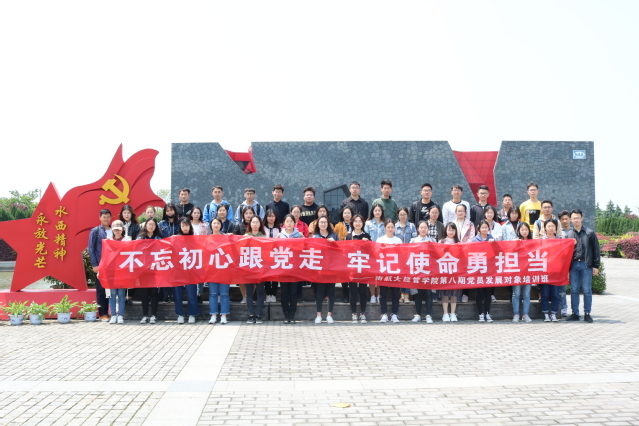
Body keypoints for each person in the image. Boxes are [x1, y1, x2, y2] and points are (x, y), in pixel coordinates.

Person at [564, 209, 601, 323]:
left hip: (586, 265)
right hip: (574, 265)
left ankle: (587, 313)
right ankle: (575, 313)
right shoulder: (569, 235)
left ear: (582, 218)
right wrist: (566, 268)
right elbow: (565, 253)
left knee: (586, 290)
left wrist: (596, 266)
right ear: (571, 220)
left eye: (578, 218)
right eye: (574, 218)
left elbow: (596, 250)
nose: (576, 220)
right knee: (574, 290)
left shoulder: (590, 233)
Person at [345, 214, 371, 323]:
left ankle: (363, 313)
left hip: (363, 267)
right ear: (352, 223)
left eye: (360, 221)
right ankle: (354, 313)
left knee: (363, 291)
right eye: (355, 221)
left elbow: (371, 251)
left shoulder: (367, 236)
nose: (358, 223)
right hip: (352, 267)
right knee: (353, 291)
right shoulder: (348, 236)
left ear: (363, 223)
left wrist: (367, 243)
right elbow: (345, 251)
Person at [312, 216, 338, 324]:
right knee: (320, 292)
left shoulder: (334, 235)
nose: (323, 224)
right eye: (321, 222)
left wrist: (334, 243)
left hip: (331, 268)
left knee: (331, 291)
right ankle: (318, 315)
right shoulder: (315, 236)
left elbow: (340, 250)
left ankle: (329, 315)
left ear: (328, 224)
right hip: (320, 268)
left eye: (325, 222)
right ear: (318, 224)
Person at [278, 214, 304, 323]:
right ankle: (285, 314)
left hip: (295, 268)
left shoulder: (299, 235)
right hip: (283, 267)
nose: (289, 223)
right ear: (284, 223)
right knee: (284, 292)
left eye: (291, 221)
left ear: (295, 223)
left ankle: (292, 314)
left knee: (293, 292)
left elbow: (304, 248)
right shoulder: (279, 235)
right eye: (287, 221)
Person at [410, 221, 437, 324]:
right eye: (421, 227)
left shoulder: (432, 240)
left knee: (429, 293)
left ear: (428, 229)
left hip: (429, 271)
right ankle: (418, 314)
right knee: (418, 293)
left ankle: (428, 315)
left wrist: (432, 246)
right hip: (417, 270)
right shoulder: (413, 240)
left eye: (425, 227)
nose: (423, 229)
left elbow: (437, 254)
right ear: (418, 229)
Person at [137, 218, 162, 324]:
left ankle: (154, 315)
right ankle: (145, 315)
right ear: (146, 225)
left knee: (154, 293)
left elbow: (162, 252)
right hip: (143, 269)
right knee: (144, 294)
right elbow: (136, 252)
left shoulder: (159, 238)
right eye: (149, 224)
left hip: (155, 269)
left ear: (156, 226)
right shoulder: (140, 238)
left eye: (153, 224)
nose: (151, 226)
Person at [88, 209, 112, 321]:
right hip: (101, 265)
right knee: (101, 289)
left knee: (112, 290)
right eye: (104, 217)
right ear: (100, 218)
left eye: (108, 217)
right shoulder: (95, 231)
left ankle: (111, 312)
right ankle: (103, 313)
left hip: (113, 265)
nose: (106, 219)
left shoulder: (114, 230)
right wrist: (94, 265)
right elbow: (91, 249)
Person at [376, 219, 402, 323]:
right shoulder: (380, 240)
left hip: (395, 270)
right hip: (383, 270)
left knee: (395, 293)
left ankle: (394, 314)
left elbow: (402, 255)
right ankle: (384, 313)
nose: (390, 229)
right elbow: (376, 254)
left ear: (395, 228)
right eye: (388, 227)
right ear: (384, 228)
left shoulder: (398, 240)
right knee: (383, 293)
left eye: (392, 227)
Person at [174, 218, 200, 324]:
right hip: (178, 270)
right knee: (177, 294)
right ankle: (180, 314)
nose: (185, 228)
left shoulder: (195, 239)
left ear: (190, 226)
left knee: (191, 294)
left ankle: (192, 314)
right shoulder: (175, 239)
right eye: (183, 225)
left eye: (187, 225)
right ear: (180, 227)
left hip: (191, 270)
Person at [105, 220, 130, 324]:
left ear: (123, 229)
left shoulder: (127, 239)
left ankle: (120, 315)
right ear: (112, 230)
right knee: (112, 294)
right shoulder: (108, 240)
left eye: (119, 229)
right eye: (115, 230)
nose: (117, 231)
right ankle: (113, 315)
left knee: (121, 294)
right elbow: (105, 256)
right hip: (111, 271)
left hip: (123, 270)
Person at [471, 220, 496, 323]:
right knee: (480, 293)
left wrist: (493, 243)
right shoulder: (474, 240)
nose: (484, 229)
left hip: (489, 270)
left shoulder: (492, 239)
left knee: (488, 294)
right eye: (483, 227)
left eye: (486, 227)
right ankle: (480, 313)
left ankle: (487, 313)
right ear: (479, 229)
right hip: (479, 270)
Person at [207, 218, 230, 324]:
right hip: (211, 270)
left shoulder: (226, 237)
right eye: (214, 223)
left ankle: (224, 315)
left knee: (224, 294)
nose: (216, 225)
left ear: (221, 225)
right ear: (211, 225)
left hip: (224, 269)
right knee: (213, 293)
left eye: (218, 223)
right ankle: (213, 315)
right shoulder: (207, 239)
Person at [244, 216, 266, 324]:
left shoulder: (264, 237)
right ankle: (251, 315)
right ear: (250, 224)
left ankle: (259, 315)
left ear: (260, 224)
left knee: (260, 292)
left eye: (257, 222)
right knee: (249, 292)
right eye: (253, 222)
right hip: (248, 268)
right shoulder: (245, 237)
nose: (255, 224)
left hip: (261, 267)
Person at [438, 223, 462, 322]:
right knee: (445, 293)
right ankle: (445, 313)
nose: (451, 232)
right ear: (445, 231)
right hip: (444, 271)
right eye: (449, 230)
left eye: (453, 230)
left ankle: (452, 313)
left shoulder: (459, 242)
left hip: (455, 271)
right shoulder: (441, 241)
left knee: (454, 294)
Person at [540, 219, 562, 322]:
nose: (551, 228)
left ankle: (554, 313)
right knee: (544, 293)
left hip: (556, 271)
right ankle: (545, 314)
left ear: (556, 227)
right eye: (548, 226)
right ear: (545, 228)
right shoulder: (541, 240)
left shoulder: (560, 240)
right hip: (544, 270)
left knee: (555, 294)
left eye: (553, 226)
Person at [158, 203, 180, 303]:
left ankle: (175, 296)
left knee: (176, 274)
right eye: (167, 211)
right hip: (165, 253)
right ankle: (166, 296)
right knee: (165, 274)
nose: (169, 212)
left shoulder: (179, 223)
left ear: (175, 211)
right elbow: (158, 237)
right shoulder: (161, 224)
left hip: (177, 253)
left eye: (171, 210)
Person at [512, 222, 533, 323]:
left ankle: (525, 314)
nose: (524, 232)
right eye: (522, 230)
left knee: (527, 294)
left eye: (526, 229)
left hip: (529, 272)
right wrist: (514, 244)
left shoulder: (533, 242)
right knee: (516, 294)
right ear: (519, 231)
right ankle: (516, 314)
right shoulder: (515, 241)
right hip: (517, 271)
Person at [233, 206, 256, 303]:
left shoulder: (256, 224)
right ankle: (244, 297)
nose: (248, 215)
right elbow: (234, 239)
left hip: (254, 255)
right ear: (243, 215)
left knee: (253, 278)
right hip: (242, 255)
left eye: (250, 213)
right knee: (242, 277)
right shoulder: (239, 225)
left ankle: (251, 297)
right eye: (246, 213)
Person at [364, 204, 386, 303]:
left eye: (379, 210)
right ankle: (373, 295)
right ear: (372, 212)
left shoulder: (385, 223)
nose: (377, 212)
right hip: (371, 253)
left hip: (382, 253)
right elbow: (366, 237)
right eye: (375, 210)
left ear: (382, 212)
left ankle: (379, 295)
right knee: (372, 275)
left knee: (380, 275)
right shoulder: (368, 223)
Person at [395, 207, 417, 302]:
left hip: (409, 254)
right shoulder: (395, 226)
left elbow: (414, 239)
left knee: (407, 274)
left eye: (404, 214)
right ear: (398, 215)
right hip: (398, 255)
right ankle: (402, 294)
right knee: (400, 274)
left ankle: (407, 295)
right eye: (401, 214)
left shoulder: (412, 226)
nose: (402, 216)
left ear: (407, 215)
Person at [333, 207, 354, 302]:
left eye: (349, 213)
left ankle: (352, 295)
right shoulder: (338, 226)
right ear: (342, 215)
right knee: (344, 275)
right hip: (342, 253)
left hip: (353, 254)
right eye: (345, 213)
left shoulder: (355, 224)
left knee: (353, 274)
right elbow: (335, 238)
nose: (347, 215)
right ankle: (345, 295)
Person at [190, 206, 208, 301]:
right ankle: (192, 293)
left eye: (198, 213)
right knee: (191, 273)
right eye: (195, 213)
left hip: (201, 252)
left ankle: (199, 294)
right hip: (190, 252)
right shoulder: (187, 224)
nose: (196, 214)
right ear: (191, 214)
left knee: (201, 273)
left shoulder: (204, 225)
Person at [263, 209, 281, 303]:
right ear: (266, 217)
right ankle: (268, 294)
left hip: (276, 255)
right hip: (265, 255)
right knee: (266, 276)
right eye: (269, 216)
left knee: (275, 275)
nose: (271, 218)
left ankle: (273, 294)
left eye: (273, 216)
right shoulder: (262, 228)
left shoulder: (279, 228)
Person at [557, 210, 572, 316]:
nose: (565, 221)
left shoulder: (573, 232)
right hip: (561, 263)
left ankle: (569, 309)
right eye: (562, 219)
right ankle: (561, 308)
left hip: (572, 262)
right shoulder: (559, 233)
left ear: (570, 219)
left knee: (572, 288)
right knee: (560, 288)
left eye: (566, 219)